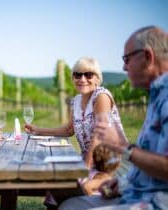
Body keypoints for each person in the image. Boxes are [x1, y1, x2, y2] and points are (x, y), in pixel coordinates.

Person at [59, 26, 168, 210]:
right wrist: (123, 184)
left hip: (155, 202)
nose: (124, 67)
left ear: (148, 56)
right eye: (77, 74)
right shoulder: (157, 94)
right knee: (69, 202)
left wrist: (124, 147)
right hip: (133, 192)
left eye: (127, 59)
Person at [25, 57, 124, 199]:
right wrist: (38, 130)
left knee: (78, 184)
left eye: (88, 74)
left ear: (97, 78)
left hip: (110, 162)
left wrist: (84, 168)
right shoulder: (76, 101)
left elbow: (99, 135)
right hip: (89, 158)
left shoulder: (101, 97)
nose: (82, 79)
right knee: (58, 180)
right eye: (77, 75)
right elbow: (68, 130)